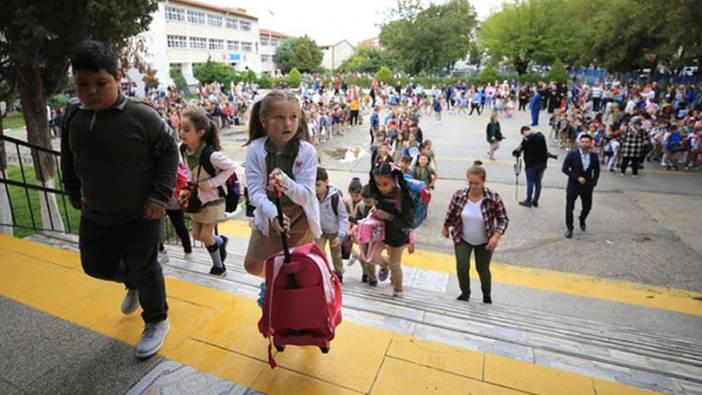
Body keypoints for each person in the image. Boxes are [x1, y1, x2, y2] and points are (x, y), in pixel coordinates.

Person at [60, 40, 178, 359]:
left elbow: (170, 151)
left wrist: (159, 196)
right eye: (82, 84)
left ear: (118, 77)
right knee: (94, 265)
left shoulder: (142, 115)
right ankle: (135, 283)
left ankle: (156, 320)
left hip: (141, 213)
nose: (92, 91)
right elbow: (68, 156)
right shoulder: (72, 115)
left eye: (101, 83)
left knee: (144, 264)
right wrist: (71, 189)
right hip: (94, 212)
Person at [242, 90, 321, 306]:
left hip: (299, 219)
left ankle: (284, 305)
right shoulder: (256, 149)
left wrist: (283, 180)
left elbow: (305, 195)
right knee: (252, 264)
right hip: (270, 213)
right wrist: (273, 215)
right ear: (264, 120)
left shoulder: (307, 152)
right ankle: (270, 283)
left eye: (293, 117)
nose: (288, 123)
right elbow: (256, 191)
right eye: (279, 117)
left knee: (294, 269)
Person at [178, 109, 236, 276]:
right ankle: (221, 241)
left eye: (187, 129)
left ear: (201, 132)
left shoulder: (211, 155)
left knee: (205, 234)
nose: (182, 133)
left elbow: (231, 167)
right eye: (181, 128)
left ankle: (219, 267)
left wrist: (211, 183)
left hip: (213, 199)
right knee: (196, 235)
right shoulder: (184, 149)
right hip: (198, 199)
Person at [442, 161, 508, 304]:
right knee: (462, 265)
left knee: (483, 269)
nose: (473, 186)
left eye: (476, 183)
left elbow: (503, 219)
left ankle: (486, 295)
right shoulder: (459, 195)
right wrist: (446, 226)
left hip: (485, 241)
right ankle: (465, 293)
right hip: (463, 237)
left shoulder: (492, 197)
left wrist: (496, 236)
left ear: (483, 182)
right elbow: (451, 212)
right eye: (470, 182)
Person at [367, 161, 414, 297]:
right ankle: (384, 265)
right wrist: (375, 210)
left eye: (385, 184)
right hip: (380, 232)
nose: (381, 188)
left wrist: (388, 216)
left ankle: (398, 290)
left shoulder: (402, 198)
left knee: (395, 264)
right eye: (378, 184)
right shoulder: (378, 194)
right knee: (372, 257)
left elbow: (407, 223)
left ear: (394, 180)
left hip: (398, 235)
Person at [562, 134, 600, 239]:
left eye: (587, 142)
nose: (584, 144)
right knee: (570, 206)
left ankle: (582, 219)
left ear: (591, 143)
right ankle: (569, 228)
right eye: (582, 142)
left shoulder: (594, 156)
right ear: (579, 142)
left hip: (587, 186)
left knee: (587, 206)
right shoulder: (572, 154)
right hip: (573, 185)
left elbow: (597, 171)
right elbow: (565, 169)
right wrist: (577, 177)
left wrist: (593, 183)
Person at [315, 167, 349, 282]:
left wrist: (341, 235)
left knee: (336, 255)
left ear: (326, 182)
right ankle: (324, 273)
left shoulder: (335, 197)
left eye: (318, 185)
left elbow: (343, 217)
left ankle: (339, 274)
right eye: (313, 185)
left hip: (334, 232)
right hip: (320, 231)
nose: (315, 188)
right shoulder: (312, 197)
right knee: (319, 253)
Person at [512, 126, 550, 207]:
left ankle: (528, 200)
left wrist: (515, 153)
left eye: (523, 134)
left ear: (524, 131)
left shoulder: (527, 139)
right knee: (538, 182)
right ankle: (535, 200)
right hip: (541, 164)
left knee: (530, 182)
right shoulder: (541, 136)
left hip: (531, 163)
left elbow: (519, 150)